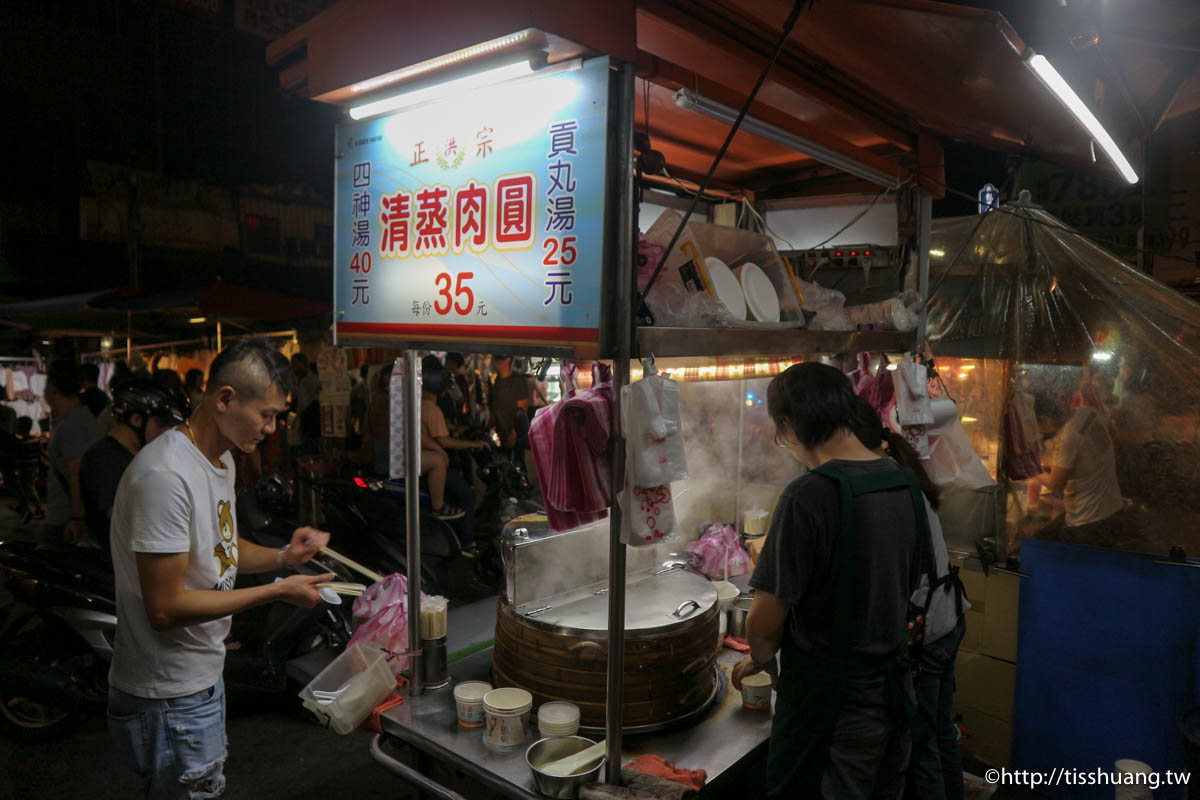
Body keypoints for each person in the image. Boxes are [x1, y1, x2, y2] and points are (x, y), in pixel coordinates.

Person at [107, 337, 334, 799]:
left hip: (200, 678)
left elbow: (221, 550)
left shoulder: (222, 460)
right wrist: (276, 592)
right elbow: (165, 608)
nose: (272, 428)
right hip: (167, 696)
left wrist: (281, 559)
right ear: (225, 399)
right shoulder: (165, 476)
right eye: (267, 415)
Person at [732, 363, 930, 800]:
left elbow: (763, 630)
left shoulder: (808, 495)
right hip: (894, 700)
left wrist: (761, 660)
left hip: (832, 716)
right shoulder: (903, 483)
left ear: (787, 426)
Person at [850, 397, 968, 800]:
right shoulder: (902, 473)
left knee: (922, 742)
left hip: (927, 627)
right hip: (947, 615)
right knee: (940, 729)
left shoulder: (887, 486)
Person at [80, 379, 188, 553]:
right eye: (162, 424)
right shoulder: (103, 458)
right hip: (116, 562)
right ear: (137, 419)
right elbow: (123, 518)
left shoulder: (145, 453)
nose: (169, 432)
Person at [1028, 389, 1124, 546]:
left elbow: (1056, 484)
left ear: (1045, 419)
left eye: (1034, 424)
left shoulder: (1068, 436)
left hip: (1087, 520)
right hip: (1112, 508)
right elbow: (1113, 435)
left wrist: (1030, 468)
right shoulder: (1088, 412)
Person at [41, 361, 104, 546]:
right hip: (67, 515)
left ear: (52, 388)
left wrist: (77, 519)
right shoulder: (79, 419)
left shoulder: (73, 424)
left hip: (64, 518)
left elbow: (76, 473)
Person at [420, 355, 481, 524]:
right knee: (468, 494)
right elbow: (444, 442)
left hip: (422, 459)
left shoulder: (419, 404)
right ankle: (466, 543)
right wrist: (473, 444)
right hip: (427, 462)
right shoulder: (432, 409)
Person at [490, 355, 534, 455]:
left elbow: (522, 408)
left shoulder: (517, 380)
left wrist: (513, 433)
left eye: (499, 359)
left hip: (514, 436)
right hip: (499, 433)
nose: (495, 362)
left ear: (508, 360)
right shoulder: (497, 380)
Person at [291, 353, 322, 453]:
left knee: (311, 446)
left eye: (295, 365)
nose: (294, 368)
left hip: (313, 419)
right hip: (302, 418)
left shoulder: (314, 380)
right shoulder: (296, 380)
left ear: (303, 364)